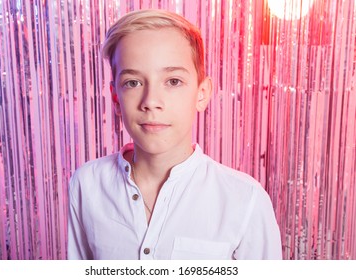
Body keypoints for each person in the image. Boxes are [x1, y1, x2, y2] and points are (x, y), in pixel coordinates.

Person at [67, 9, 282, 260]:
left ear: (201, 93)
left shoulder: (245, 200)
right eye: (133, 83)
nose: (151, 102)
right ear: (116, 97)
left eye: (173, 81)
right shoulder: (87, 185)